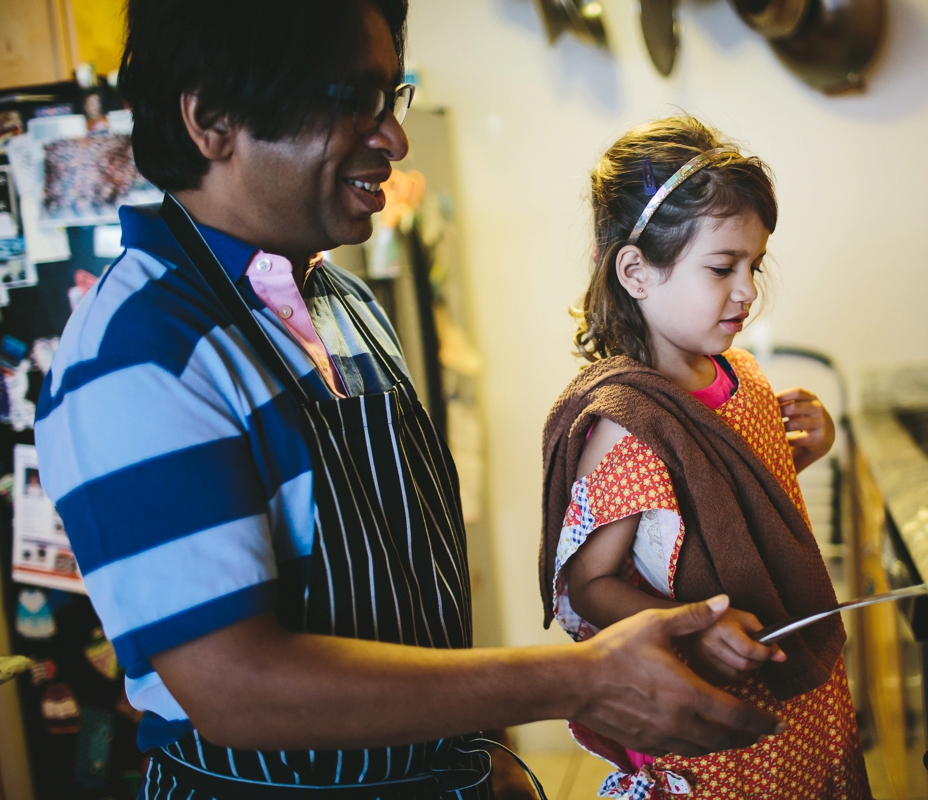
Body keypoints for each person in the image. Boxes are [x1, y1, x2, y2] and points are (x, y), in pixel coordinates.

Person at [32, 3, 784, 798]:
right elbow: (234, 686)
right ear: (213, 118)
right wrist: (577, 680)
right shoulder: (139, 353)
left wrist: (469, 749)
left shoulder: (342, 303)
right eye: (351, 99)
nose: (392, 138)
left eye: (391, 99)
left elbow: (398, 588)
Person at [540, 118, 871, 799]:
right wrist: (697, 626)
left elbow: (721, 507)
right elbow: (589, 585)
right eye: (723, 267)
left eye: (755, 265)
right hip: (718, 727)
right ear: (635, 270)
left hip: (801, 700)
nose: (747, 290)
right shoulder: (628, 425)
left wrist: (806, 451)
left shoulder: (740, 374)